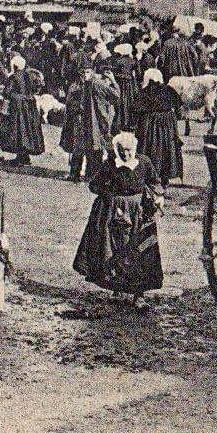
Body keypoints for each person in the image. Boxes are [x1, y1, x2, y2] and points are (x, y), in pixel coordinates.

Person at [72, 131, 163, 307]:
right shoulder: (110, 164)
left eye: (129, 150)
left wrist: (157, 197)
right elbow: (94, 185)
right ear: (116, 149)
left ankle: (139, 295)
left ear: (134, 149)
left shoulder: (144, 162)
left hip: (138, 212)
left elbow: (155, 182)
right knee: (114, 250)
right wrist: (111, 198)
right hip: (114, 214)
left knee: (139, 250)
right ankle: (116, 288)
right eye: (122, 150)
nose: (125, 154)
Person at [130, 68, 184, 187]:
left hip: (149, 125)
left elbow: (135, 111)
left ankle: (149, 176)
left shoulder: (144, 92)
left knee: (150, 148)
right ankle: (165, 178)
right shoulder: (169, 90)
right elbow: (179, 109)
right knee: (166, 149)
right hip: (167, 126)